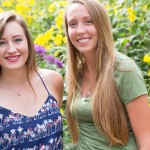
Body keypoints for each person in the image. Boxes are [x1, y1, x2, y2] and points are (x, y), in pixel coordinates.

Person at [64, 0, 150, 149]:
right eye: (72, 24)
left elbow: (146, 139)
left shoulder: (124, 70)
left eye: (89, 21)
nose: (80, 30)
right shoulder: (76, 73)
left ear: (101, 25)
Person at [0, 11, 64, 149]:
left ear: (28, 41)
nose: (11, 49)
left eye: (17, 39)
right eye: (1, 43)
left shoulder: (53, 81)